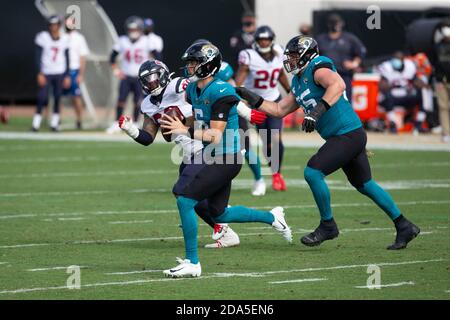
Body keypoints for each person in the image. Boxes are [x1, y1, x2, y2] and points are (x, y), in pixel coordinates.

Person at [236, 35, 420, 250]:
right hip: (346, 135)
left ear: (307, 55)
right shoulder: (297, 81)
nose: (291, 60)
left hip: (347, 134)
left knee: (313, 172)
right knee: (365, 185)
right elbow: (279, 109)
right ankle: (404, 225)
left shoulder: (318, 67)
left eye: (295, 56)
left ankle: (328, 225)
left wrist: (315, 113)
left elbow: (338, 84)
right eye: (290, 56)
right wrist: (251, 96)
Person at [159, 41, 292, 278]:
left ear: (207, 65)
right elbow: (198, 118)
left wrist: (184, 131)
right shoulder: (193, 89)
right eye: (189, 62)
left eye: (194, 62)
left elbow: (214, 134)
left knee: (185, 200)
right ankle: (273, 217)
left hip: (226, 156)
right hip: (212, 154)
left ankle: (192, 262)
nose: (189, 67)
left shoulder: (222, 91)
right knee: (219, 213)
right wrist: (178, 123)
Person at [119, 59, 243, 249]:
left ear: (162, 75)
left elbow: (213, 94)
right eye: (146, 81)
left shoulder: (179, 85)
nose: (150, 84)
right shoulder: (148, 104)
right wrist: (129, 129)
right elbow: (147, 138)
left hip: (206, 145)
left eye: (153, 79)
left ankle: (209, 242)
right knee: (190, 198)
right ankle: (225, 229)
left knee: (184, 193)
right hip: (189, 152)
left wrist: (244, 111)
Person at [235, 26, 291, 191]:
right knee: (267, 142)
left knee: (275, 140)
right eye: (261, 39)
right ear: (256, 41)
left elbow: (280, 73)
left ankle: (276, 174)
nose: (264, 42)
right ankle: (274, 172)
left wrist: (289, 92)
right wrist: (239, 95)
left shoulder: (279, 52)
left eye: (266, 39)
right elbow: (240, 79)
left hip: (274, 101)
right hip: (257, 103)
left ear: (271, 40)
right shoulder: (249, 56)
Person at [107, 16, 151, 133]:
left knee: (138, 101)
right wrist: (116, 70)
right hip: (126, 76)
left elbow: (156, 56)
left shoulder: (146, 41)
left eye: (135, 29)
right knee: (121, 99)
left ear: (141, 29)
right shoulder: (122, 41)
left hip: (140, 77)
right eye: (131, 30)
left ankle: (135, 122)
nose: (133, 32)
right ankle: (116, 122)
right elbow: (112, 57)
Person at [32, 15, 71, 132]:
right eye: (51, 25)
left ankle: (54, 124)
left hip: (59, 72)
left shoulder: (65, 39)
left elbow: (67, 57)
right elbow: (37, 56)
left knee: (58, 97)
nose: (53, 27)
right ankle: (36, 124)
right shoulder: (43, 37)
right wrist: (39, 72)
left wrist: (67, 75)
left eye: (55, 25)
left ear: (59, 26)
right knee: (41, 97)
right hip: (46, 72)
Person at [316, 13, 366, 103]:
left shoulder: (349, 38)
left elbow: (361, 51)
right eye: (333, 23)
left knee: (345, 100)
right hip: (326, 75)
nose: (335, 26)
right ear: (328, 24)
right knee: (326, 101)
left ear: (341, 24)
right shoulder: (321, 39)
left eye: (337, 23)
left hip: (344, 75)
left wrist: (354, 63)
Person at [376, 51, 427, 133]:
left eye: (398, 59)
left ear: (403, 60)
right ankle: (393, 125)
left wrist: (421, 84)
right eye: (395, 59)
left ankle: (418, 124)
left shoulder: (409, 66)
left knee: (422, 94)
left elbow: (416, 81)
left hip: (406, 94)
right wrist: (392, 85)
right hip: (392, 95)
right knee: (387, 95)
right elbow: (382, 85)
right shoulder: (387, 67)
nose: (396, 61)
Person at [63, 14, 90, 130]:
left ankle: (79, 121)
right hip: (62, 71)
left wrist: (80, 74)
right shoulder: (61, 36)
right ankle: (55, 119)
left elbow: (82, 57)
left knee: (76, 97)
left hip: (74, 71)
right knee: (56, 96)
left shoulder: (79, 38)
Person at [433, 24, 450, 143]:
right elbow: (436, 64)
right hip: (441, 80)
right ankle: (446, 132)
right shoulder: (437, 47)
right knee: (443, 107)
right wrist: (437, 79)